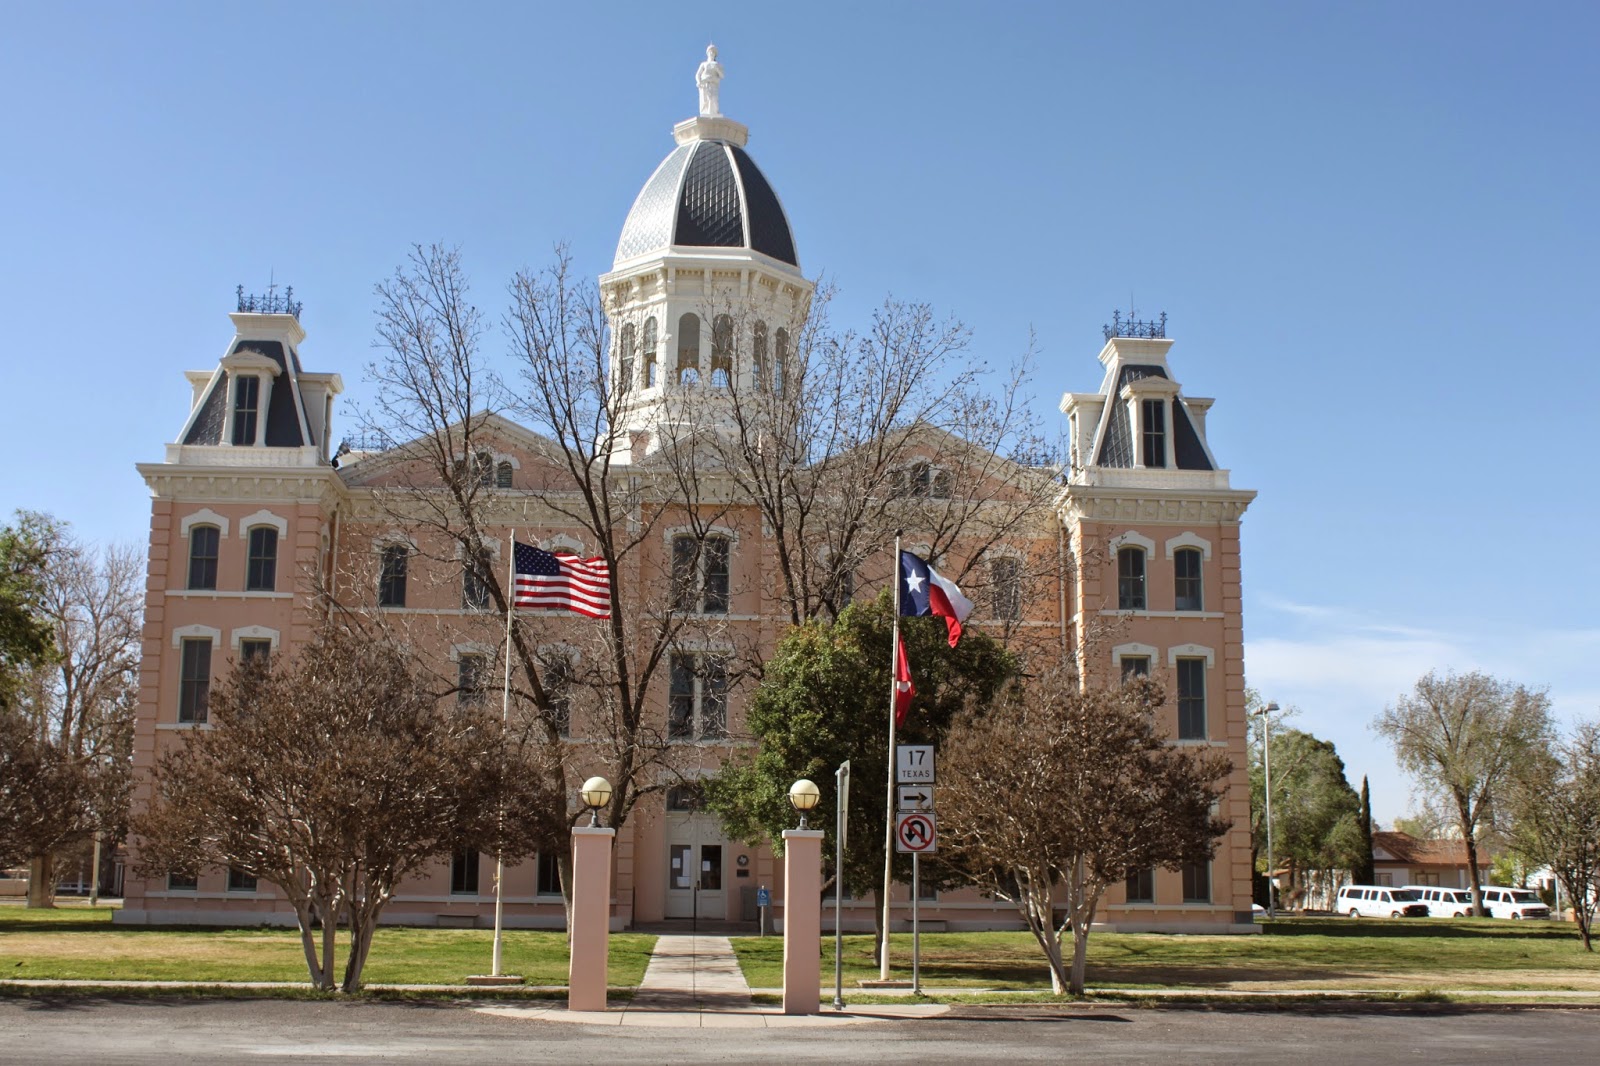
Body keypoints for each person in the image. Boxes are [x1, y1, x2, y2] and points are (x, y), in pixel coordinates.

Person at [696, 44, 724, 117]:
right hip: (705, 83)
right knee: (705, 100)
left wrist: (716, 69)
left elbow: (722, 76)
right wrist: (699, 82)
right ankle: (706, 113)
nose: (711, 53)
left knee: (713, 99)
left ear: (715, 55)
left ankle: (714, 113)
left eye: (713, 52)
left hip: (713, 83)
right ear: (708, 53)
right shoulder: (704, 64)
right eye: (710, 52)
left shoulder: (717, 64)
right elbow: (698, 74)